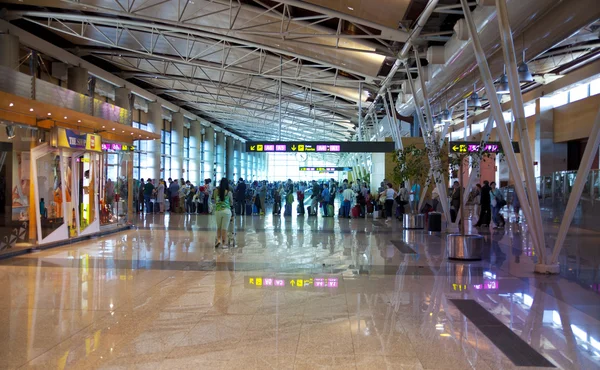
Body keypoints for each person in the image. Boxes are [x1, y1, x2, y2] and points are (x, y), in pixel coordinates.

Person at [213, 178, 234, 248]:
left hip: (218, 211)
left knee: (218, 227)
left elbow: (215, 200)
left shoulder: (216, 191)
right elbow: (231, 203)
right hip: (226, 211)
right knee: (224, 228)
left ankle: (218, 240)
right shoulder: (229, 192)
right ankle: (223, 243)